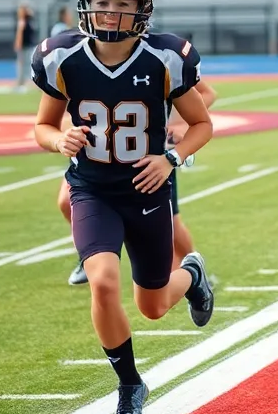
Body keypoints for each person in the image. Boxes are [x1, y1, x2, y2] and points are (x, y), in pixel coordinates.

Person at [31, 0, 216, 414]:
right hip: (92, 188)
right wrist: (58, 140)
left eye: (121, 3)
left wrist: (170, 159)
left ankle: (192, 274)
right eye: (101, 2)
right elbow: (43, 125)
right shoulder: (62, 56)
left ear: (142, 9)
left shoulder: (165, 57)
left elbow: (202, 124)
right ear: (86, 5)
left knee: (153, 305)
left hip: (145, 188)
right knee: (104, 281)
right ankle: (129, 385)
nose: (110, 13)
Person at [60, 77, 217, 285]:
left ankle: (195, 269)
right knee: (66, 202)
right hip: (98, 154)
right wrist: (66, 135)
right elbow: (59, 114)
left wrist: (173, 123)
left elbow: (206, 94)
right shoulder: (73, 55)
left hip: (146, 154)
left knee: (171, 222)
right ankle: (88, 255)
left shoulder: (161, 53)